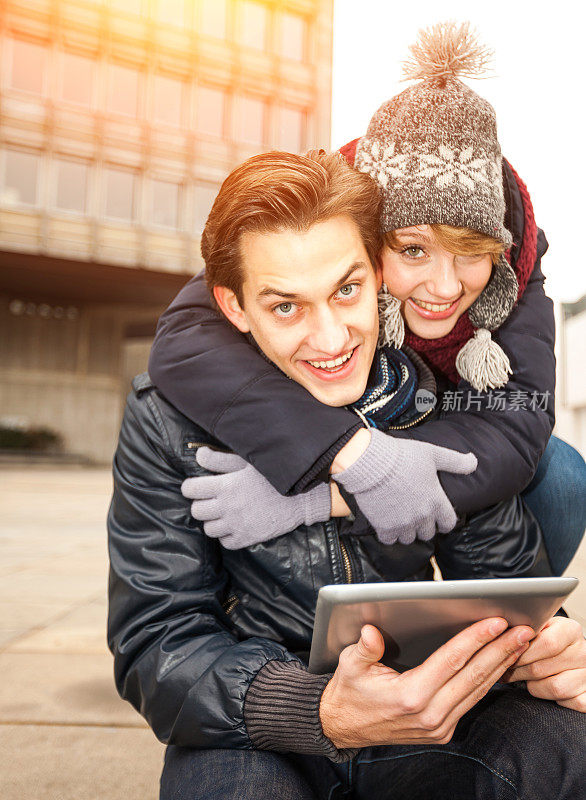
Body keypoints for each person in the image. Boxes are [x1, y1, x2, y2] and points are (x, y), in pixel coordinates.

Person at [108, 148, 586, 800]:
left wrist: (551, 646)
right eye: (285, 307)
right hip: (263, 731)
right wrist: (318, 709)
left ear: (379, 273)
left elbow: (510, 581)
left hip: (422, 715)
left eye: (347, 289)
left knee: (569, 749)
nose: (330, 340)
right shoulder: (165, 421)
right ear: (235, 307)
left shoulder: (430, 398)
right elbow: (156, 641)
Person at [148, 23, 586, 572]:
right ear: (365, 237)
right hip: (363, 405)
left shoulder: (516, 256)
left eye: (469, 252)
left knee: (562, 473)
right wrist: (345, 451)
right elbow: (187, 339)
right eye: (413, 250)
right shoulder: (320, 220)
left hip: (435, 420)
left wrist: (324, 497)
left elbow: (514, 425)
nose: (446, 288)